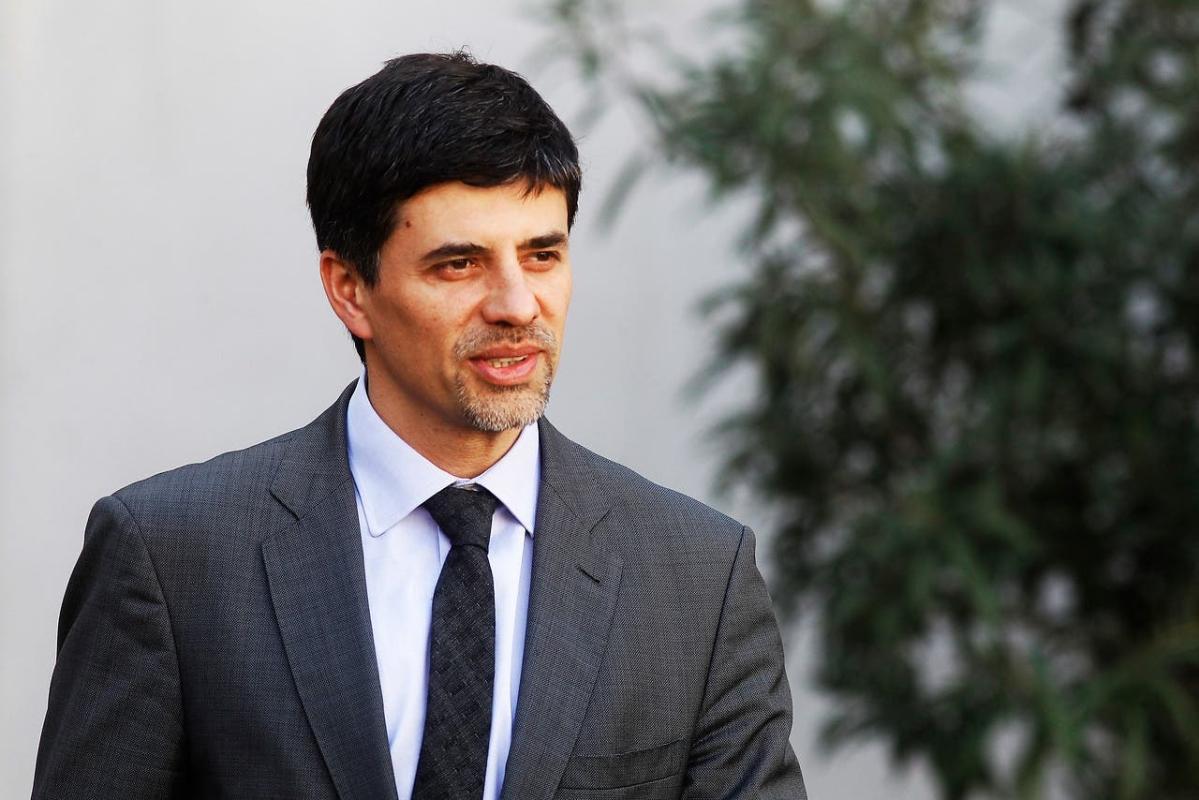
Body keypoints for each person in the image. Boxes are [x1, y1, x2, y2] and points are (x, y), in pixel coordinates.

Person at [33, 51, 806, 799]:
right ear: (349, 289)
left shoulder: (699, 580)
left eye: (542, 255)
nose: (516, 305)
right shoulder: (172, 559)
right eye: (459, 264)